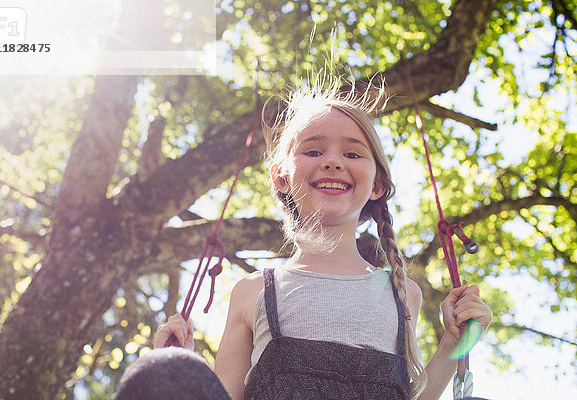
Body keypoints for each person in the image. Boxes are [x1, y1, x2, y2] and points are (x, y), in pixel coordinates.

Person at [116, 76, 493, 400]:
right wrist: (180, 367)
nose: (333, 161)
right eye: (313, 150)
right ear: (281, 178)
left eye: (352, 152)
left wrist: (451, 344)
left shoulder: (401, 293)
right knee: (156, 371)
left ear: (377, 184)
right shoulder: (253, 292)